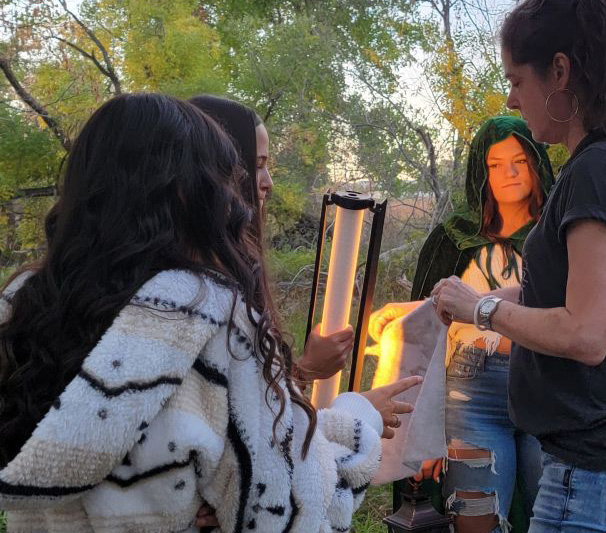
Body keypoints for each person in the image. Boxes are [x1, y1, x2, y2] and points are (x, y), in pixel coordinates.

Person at [0, 93, 421, 532]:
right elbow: (295, 509)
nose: (260, 185)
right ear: (187, 192)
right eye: (234, 173)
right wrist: (359, 420)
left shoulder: (26, 310)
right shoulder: (205, 317)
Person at [431, 1, 606, 531]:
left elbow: (588, 333)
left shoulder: (599, 170)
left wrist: (481, 310)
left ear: (561, 71)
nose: (510, 97)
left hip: (594, 467)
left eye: (517, 79)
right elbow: (577, 296)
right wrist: (489, 300)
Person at [371, 116, 554, 533]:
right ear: (480, 172)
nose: (508, 174)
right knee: (476, 518)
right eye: (495, 164)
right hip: (470, 394)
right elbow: (427, 327)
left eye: (519, 161)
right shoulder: (453, 239)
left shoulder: (563, 234)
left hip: (550, 387)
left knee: (555, 514)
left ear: (537, 165)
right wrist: (425, 433)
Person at [189, 95, 351, 388]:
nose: (267, 182)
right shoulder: (202, 288)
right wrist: (308, 370)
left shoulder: (232, 263)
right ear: (218, 170)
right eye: (256, 165)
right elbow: (238, 416)